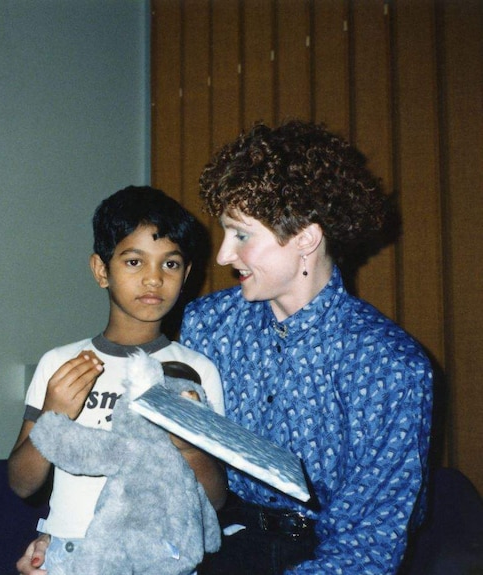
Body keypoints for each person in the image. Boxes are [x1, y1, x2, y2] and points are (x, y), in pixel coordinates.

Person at [179, 120, 433, 574]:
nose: (222, 255)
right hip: (213, 543)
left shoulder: (390, 367)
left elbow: (366, 548)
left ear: (306, 240)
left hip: (325, 557)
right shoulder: (206, 326)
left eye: (241, 234)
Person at [9, 185, 227, 573]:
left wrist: (188, 443)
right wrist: (52, 416)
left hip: (162, 556)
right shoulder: (61, 363)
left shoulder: (196, 370)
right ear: (100, 270)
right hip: (70, 555)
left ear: (187, 273)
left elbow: (215, 499)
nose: (154, 279)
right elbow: (21, 483)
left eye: (170, 264)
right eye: (133, 262)